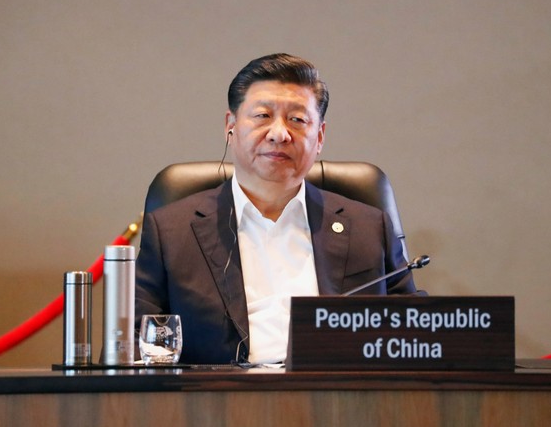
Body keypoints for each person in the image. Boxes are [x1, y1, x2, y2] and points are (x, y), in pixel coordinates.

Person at [135, 53, 422, 365]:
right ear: (230, 126)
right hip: (218, 405)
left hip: (337, 401)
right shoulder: (172, 232)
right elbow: (132, 348)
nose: (279, 134)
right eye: (262, 116)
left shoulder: (368, 226)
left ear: (320, 136)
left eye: (297, 120)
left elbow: (419, 335)